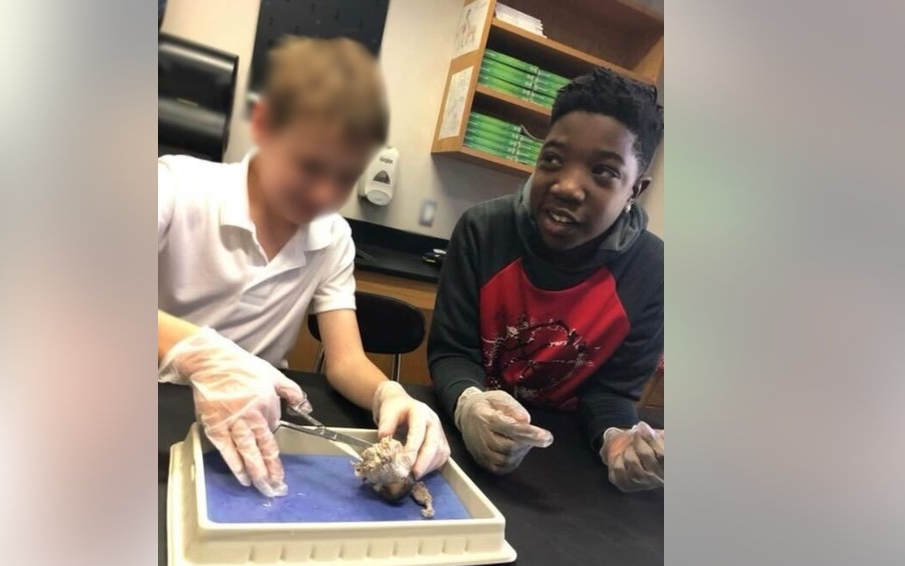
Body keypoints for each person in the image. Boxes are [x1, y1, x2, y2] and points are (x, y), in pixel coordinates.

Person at [158, 37, 449, 497]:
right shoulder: (176, 186)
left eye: (344, 177)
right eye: (309, 165)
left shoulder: (332, 238)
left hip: (254, 428)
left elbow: (346, 360)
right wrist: (200, 356)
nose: (322, 194)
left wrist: (389, 395)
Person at [428, 67, 664, 492]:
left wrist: (618, 440)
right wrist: (471, 404)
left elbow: (611, 393)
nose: (567, 186)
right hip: (461, 450)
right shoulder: (483, 231)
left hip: (567, 469)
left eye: (604, 172)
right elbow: (452, 352)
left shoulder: (652, 271)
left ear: (636, 189)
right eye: (553, 159)